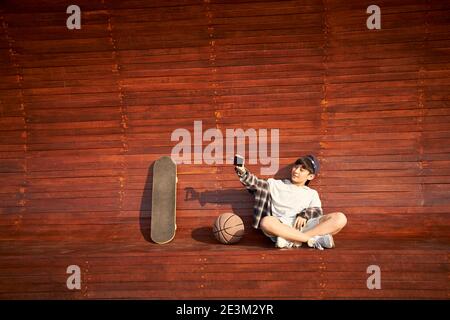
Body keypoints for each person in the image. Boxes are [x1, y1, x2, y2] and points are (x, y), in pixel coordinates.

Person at [235, 155, 347, 249]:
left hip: (305, 226)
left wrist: (305, 215)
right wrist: (242, 171)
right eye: (296, 167)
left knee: (340, 218)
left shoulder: (311, 193)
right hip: (281, 226)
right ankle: (310, 240)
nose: (296, 171)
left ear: (310, 176)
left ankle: (291, 240)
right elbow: (255, 184)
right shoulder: (276, 184)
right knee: (266, 222)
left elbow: (317, 211)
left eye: (302, 169)